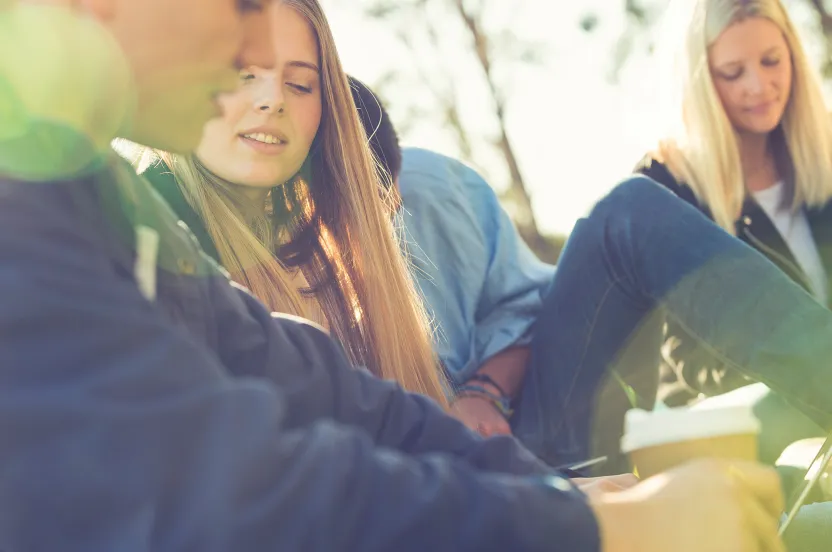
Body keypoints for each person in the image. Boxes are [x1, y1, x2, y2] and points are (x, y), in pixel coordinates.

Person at [118, 0, 448, 405]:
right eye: (243, 73)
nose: (273, 99)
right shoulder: (137, 245)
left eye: (299, 84)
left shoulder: (337, 262)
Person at [636, 0, 828, 461]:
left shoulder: (819, 160)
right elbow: (694, 361)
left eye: (770, 61)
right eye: (733, 72)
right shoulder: (663, 188)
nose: (758, 86)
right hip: (735, 422)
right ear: (701, 80)